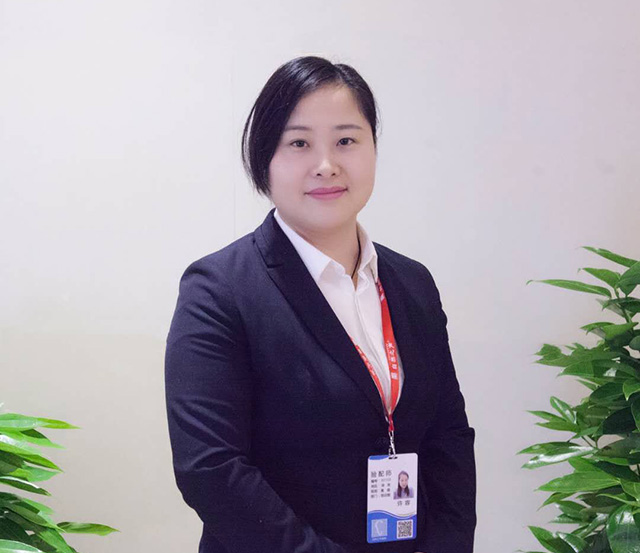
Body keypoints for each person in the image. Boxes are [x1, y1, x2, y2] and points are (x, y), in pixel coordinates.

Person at [164, 55, 476, 553]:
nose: (326, 164)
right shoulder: (218, 290)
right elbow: (210, 469)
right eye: (299, 143)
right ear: (264, 159)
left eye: (346, 141)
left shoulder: (412, 283)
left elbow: (448, 436)